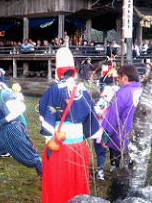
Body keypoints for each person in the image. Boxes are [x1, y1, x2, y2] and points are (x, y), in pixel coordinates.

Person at [38, 47, 101, 203]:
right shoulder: (83, 89)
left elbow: (45, 112)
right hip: (79, 144)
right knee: (77, 179)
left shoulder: (54, 90)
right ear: (73, 70)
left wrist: (48, 138)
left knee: (59, 180)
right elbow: (91, 117)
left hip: (60, 144)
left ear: (59, 71)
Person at [101, 65, 143, 171]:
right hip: (141, 137)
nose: (117, 81)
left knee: (122, 169)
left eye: (118, 78)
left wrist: (105, 137)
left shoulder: (122, 93)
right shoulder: (144, 91)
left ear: (125, 78)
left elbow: (112, 117)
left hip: (123, 137)